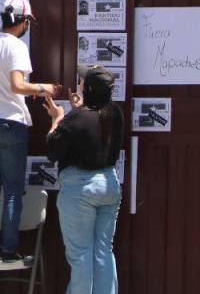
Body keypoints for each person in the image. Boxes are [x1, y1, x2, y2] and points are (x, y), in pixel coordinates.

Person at [0, 0, 60, 267]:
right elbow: (17, 86)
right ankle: (8, 250)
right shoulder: (17, 46)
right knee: (11, 190)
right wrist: (45, 88)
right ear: (24, 21)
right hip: (9, 120)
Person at [42, 66, 124, 294]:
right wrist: (78, 108)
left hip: (80, 189)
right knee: (103, 251)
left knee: (80, 256)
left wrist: (57, 118)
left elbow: (52, 149)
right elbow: (92, 123)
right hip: (108, 184)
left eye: (82, 80)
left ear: (87, 88)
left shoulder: (75, 117)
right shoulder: (114, 113)